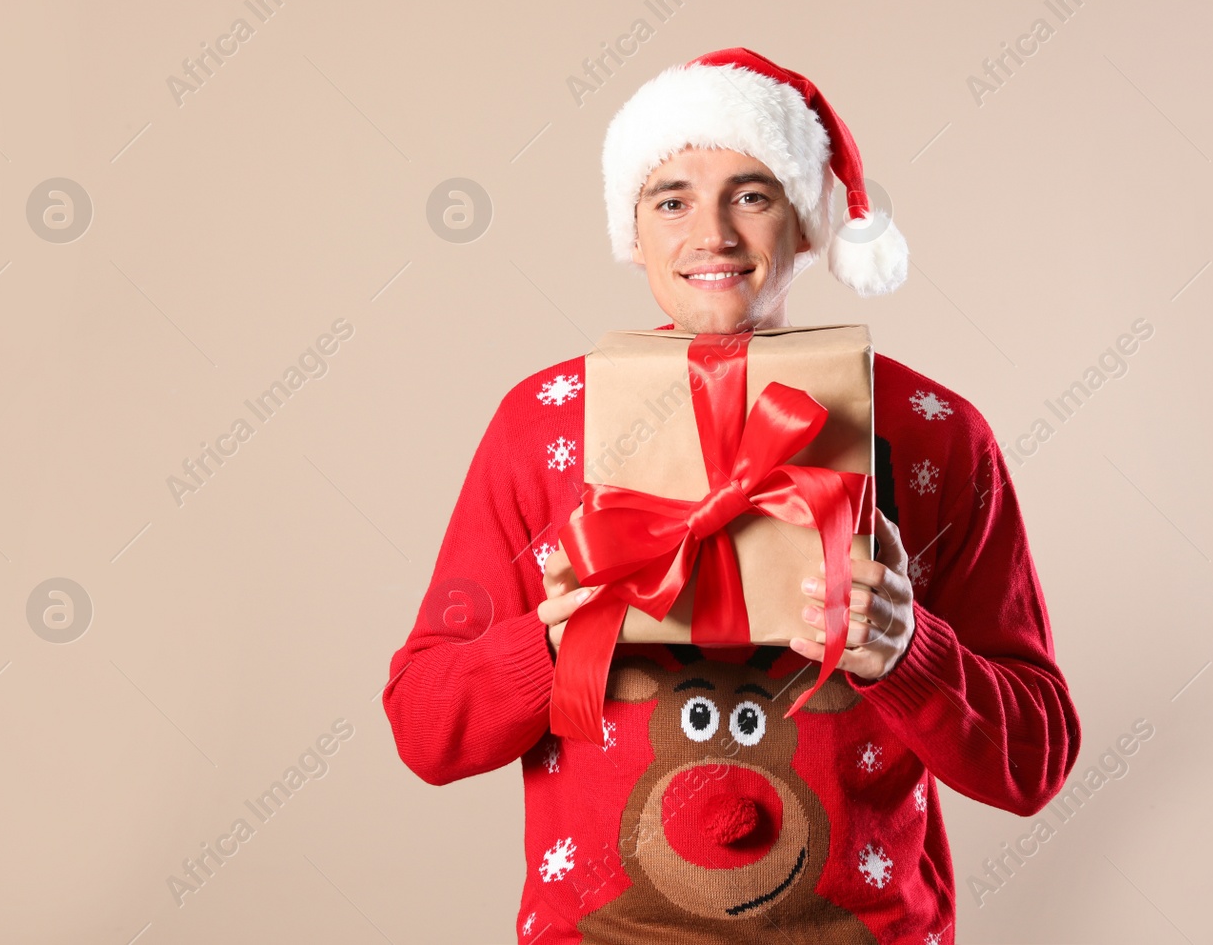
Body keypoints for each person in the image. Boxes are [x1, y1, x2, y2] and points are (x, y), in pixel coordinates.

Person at [384, 48, 1080, 944]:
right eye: (671, 199)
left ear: (803, 222)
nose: (710, 234)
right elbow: (425, 725)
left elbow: (1035, 761)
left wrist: (911, 652)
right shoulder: (542, 425)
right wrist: (552, 641)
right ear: (632, 232)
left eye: (750, 195)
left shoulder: (934, 430)